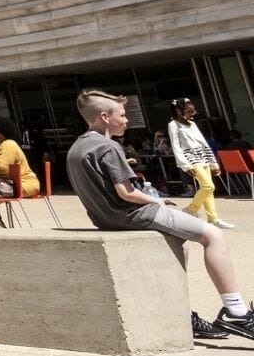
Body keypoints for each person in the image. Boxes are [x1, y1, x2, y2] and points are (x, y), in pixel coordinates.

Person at [69, 89, 252, 342]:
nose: (126, 119)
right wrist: (158, 201)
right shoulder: (108, 147)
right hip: (132, 214)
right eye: (121, 115)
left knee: (181, 244)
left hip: (106, 218)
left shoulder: (78, 147)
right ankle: (236, 311)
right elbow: (126, 192)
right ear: (104, 116)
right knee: (213, 235)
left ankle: (181, 312)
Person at [169, 98, 231, 229]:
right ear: (179, 111)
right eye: (189, 111)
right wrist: (185, 165)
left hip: (203, 157)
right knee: (209, 186)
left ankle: (213, 218)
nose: (192, 114)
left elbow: (203, 143)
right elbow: (176, 146)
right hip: (191, 159)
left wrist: (213, 163)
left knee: (208, 189)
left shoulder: (192, 123)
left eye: (193, 111)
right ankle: (191, 209)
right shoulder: (173, 125)